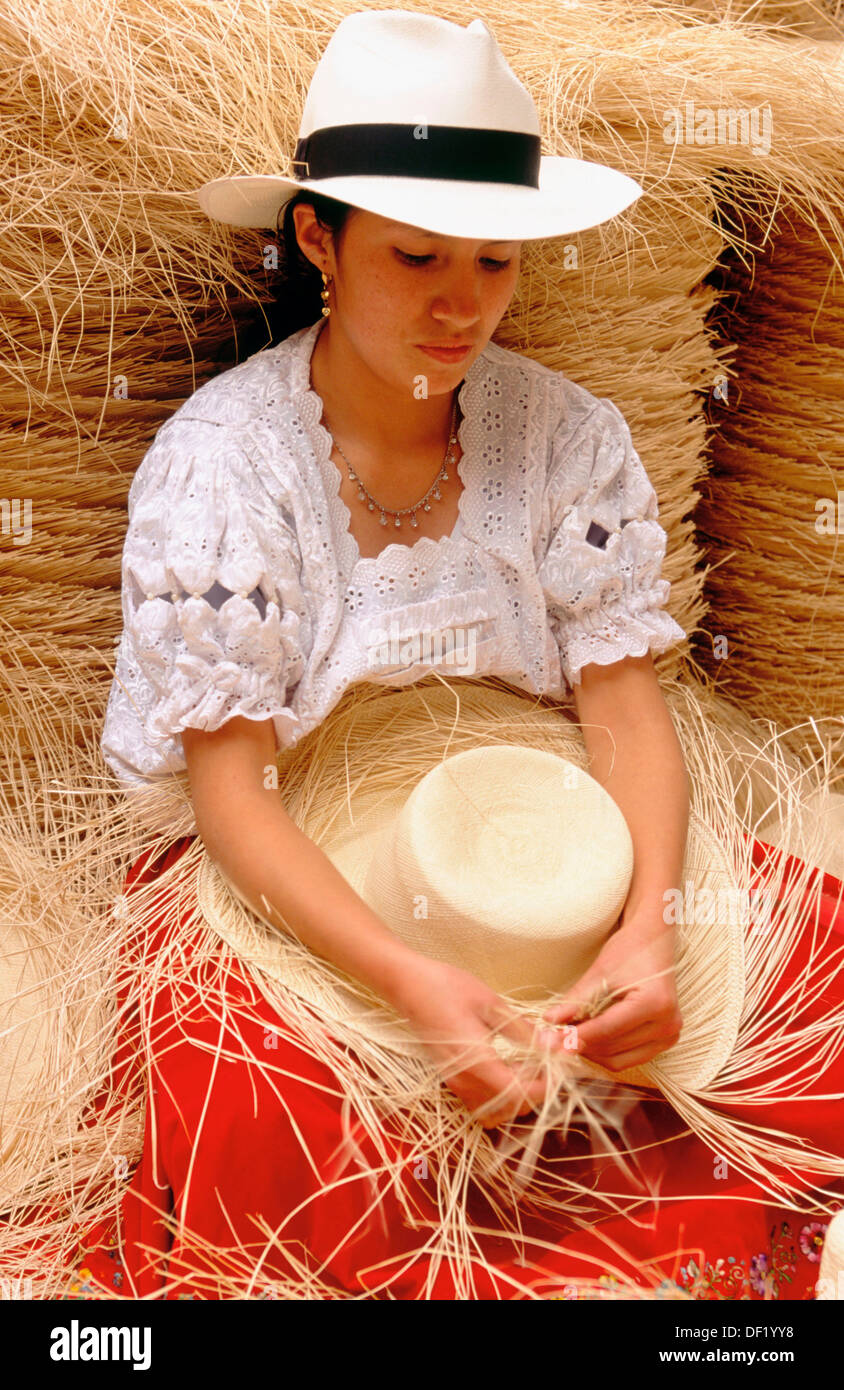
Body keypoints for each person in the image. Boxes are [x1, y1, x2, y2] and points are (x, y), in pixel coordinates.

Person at [49, 11, 844, 1300]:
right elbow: (232, 796)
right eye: (418, 256)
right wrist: (416, 982)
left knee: (812, 973)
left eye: (496, 261)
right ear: (318, 234)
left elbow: (626, 709)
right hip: (290, 855)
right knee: (271, 1111)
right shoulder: (226, 467)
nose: (462, 306)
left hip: (522, 818)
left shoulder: (565, 438)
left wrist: (646, 927)